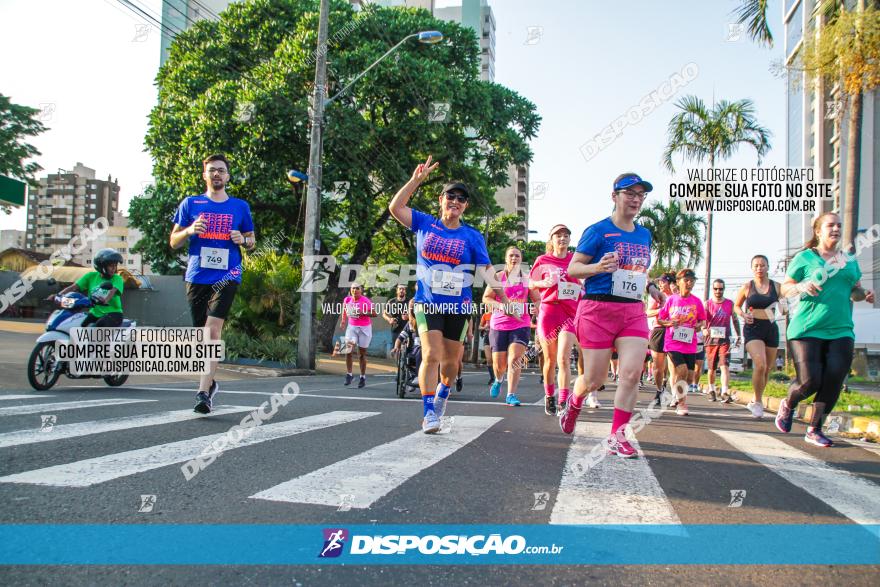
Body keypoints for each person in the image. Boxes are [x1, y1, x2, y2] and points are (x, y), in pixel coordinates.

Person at [388, 155, 506, 433]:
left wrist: (507, 297)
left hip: (459, 307)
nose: (455, 201)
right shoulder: (424, 223)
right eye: (450, 196)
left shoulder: (472, 236)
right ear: (441, 200)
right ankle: (429, 411)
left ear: (465, 206)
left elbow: (487, 270)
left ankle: (442, 394)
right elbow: (396, 207)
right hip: (427, 303)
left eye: (461, 199)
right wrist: (415, 181)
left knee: (451, 363)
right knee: (430, 355)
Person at [559, 172, 666, 459]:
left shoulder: (644, 234)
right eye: (629, 193)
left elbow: (638, 269)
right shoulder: (597, 231)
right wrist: (597, 267)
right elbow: (573, 269)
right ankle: (575, 399)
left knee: (631, 373)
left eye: (640, 195)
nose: (635, 199)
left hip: (632, 310)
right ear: (614, 196)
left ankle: (617, 436)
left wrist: (653, 287)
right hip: (597, 309)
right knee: (593, 379)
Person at [776, 212, 875, 447]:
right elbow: (785, 289)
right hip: (807, 329)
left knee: (834, 379)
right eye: (830, 225)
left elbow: (855, 291)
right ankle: (788, 404)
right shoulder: (805, 258)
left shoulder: (849, 261)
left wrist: (864, 295)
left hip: (841, 329)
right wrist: (801, 286)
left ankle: (815, 428)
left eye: (839, 225)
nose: (836, 229)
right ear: (818, 231)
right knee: (810, 381)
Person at [169, 154, 255, 414]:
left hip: (228, 275)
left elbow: (252, 240)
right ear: (204, 175)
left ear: (228, 176)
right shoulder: (190, 203)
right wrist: (190, 230)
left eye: (221, 170)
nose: (217, 174)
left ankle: (202, 393)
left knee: (213, 331)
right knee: (201, 336)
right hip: (197, 275)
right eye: (212, 170)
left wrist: (243, 239)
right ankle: (211, 381)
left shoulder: (240, 206)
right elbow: (174, 241)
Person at [529, 223, 586, 416]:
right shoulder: (542, 259)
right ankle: (549, 396)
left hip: (570, 314)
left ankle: (563, 400)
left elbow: (584, 281)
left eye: (565, 236)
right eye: (558, 236)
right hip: (549, 312)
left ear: (570, 240)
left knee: (563, 357)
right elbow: (530, 283)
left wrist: (584, 290)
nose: (562, 239)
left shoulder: (575, 260)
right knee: (550, 360)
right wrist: (540, 283)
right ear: (551, 240)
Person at [484, 246, 539, 406]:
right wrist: (502, 307)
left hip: (520, 323)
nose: (514, 258)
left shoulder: (527, 280)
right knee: (499, 364)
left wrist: (537, 307)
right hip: (499, 324)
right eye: (511, 256)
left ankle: (511, 394)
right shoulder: (499, 277)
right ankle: (498, 379)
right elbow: (487, 298)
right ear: (506, 259)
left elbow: (537, 299)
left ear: (521, 259)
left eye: (517, 256)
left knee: (515, 358)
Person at [734, 254, 784, 419]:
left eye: (762, 265)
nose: (759, 268)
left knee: (767, 369)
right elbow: (736, 306)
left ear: (768, 267)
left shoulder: (777, 287)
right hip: (752, 328)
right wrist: (743, 314)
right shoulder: (748, 286)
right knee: (760, 364)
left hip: (770, 329)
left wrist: (783, 307)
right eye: (756, 265)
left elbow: (785, 308)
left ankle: (758, 400)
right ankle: (757, 401)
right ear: (752, 268)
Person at [656, 269, 707, 416]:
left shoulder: (697, 301)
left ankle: (676, 395)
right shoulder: (671, 300)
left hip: (689, 343)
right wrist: (670, 322)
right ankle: (682, 403)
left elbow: (702, 320)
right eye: (686, 280)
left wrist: (700, 325)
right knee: (682, 370)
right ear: (678, 282)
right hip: (672, 342)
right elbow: (660, 319)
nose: (689, 283)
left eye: (692, 281)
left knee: (690, 376)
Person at [53, 249, 125, 327]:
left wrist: (105, 300)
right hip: (94, 313)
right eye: (111, 266)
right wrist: (58, 295)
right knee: (79, 327)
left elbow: (112, 291)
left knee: (98, 328)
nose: (114, 268)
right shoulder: (91, 276)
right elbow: (73, 287)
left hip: (113, 314)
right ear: (102, 266)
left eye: (115, 265)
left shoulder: (117, 278)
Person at [704, 279, 741, 402]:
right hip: (711, 341)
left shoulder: (730, 304)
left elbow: (735, 320)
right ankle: (711, 389)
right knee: (711, 369)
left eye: (720, 289)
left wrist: (738, 335)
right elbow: (703, 320)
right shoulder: (707, 304)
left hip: (725, 340)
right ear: (712, 289)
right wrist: (704, 329)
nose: (718, 291)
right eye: (715, 289)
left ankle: (725, 391)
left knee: (724, 365)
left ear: (723, 289)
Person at [340, 283, 378, 388]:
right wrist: (343, 321)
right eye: (353, 288)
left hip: (365, 329)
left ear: (361, 290)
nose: (355, 290)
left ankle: (362, 377)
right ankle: (349, 375)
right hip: (351, 327)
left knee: (361, 354)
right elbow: (344, 310)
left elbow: (374, 314)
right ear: (350, 289)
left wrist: (362, 312)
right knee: (347, 351)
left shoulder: (365, 300)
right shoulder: (347, 300)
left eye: (357, 288)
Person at [647, 273, 675, 406]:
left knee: (673, 364)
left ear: (670, 283)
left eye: (663, 282)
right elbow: (647, 313)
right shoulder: (657, 297)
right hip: (659, 330)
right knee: (658, 367)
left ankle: (673, 393)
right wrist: (661, 310)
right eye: (659, 282)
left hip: (673, 331)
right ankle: (659, 389)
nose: (660, 284)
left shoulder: (676, 296)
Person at [479, 310, 494, 384]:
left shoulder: (500, 313)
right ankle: (492, 378)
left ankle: (497, 377)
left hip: (496, 336)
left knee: (496, 359)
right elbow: (479, 327)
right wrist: (485, 327)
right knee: (489, 359)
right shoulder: (485, 315)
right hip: (487, 336)